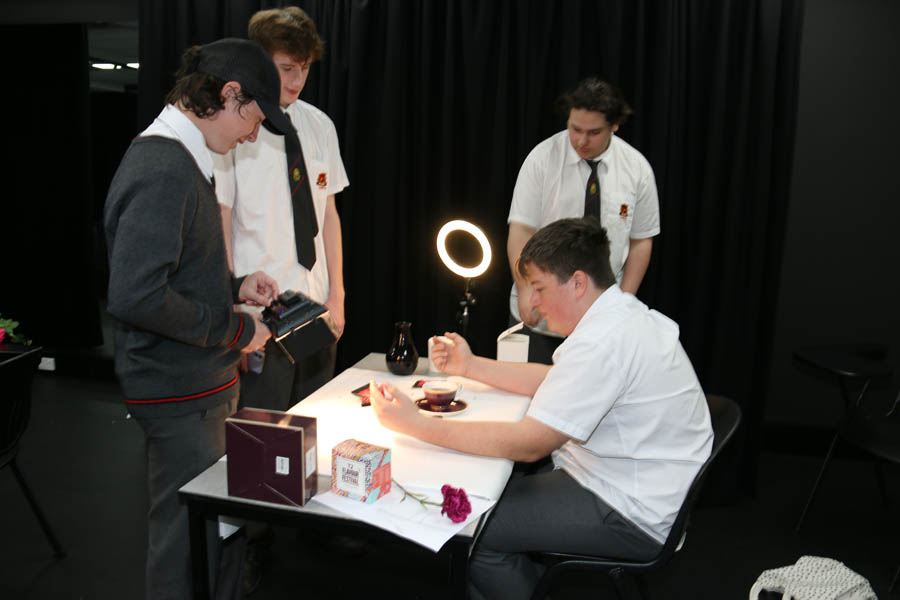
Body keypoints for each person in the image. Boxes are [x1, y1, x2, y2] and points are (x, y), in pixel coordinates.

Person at [370, 217, 712, 600]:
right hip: (642, 487)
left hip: (632, 511)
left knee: (469, 529)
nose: (532, 302)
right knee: (487, 491)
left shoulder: (601, 341)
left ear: (578, 283)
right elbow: (554, 379)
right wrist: (470, 366)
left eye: (538, 288)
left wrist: (413, 423)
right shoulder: (620, 315)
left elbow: (530, 444)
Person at [104, 38, 289, 599]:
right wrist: (237, 329)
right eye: (253, 119)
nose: (252, 135)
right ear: (228, 95)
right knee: (184, 543)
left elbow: (173, 272)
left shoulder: (183, 158)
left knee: (212, 533)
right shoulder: (164, 166)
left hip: (198, 385)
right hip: (179, 391)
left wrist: (233, 287)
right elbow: (136, 295)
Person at [213, 6, 350, 412]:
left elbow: (329, 215)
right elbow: (221, 220)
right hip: (261, 312)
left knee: (315, 423)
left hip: (316, 304)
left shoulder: (320, 125)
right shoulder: (236, 126)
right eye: (287, 68)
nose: (296, 80)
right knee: (262, 430)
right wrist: (234, 312)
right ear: (260, 61)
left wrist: (338, 295)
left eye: (304, 69)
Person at [507, 77, 660, 363]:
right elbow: (521, 230)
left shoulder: (637, 169)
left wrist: (623, 303)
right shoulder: (542, 159)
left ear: (615, 126)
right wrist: (526, 287)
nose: (581, 141)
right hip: (540, 314)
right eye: (575, 129)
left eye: (593, 132)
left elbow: (641, 241)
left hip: (602, 323)